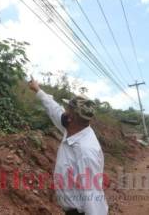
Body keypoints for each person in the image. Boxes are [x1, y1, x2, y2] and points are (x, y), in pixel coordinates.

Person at [29, 77, 108, 215]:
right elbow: (54, 110)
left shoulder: (85, 152)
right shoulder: (74, 129)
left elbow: (92, 196)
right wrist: (38, 90)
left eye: (66, 110)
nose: (63, 112)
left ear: (70, 117)